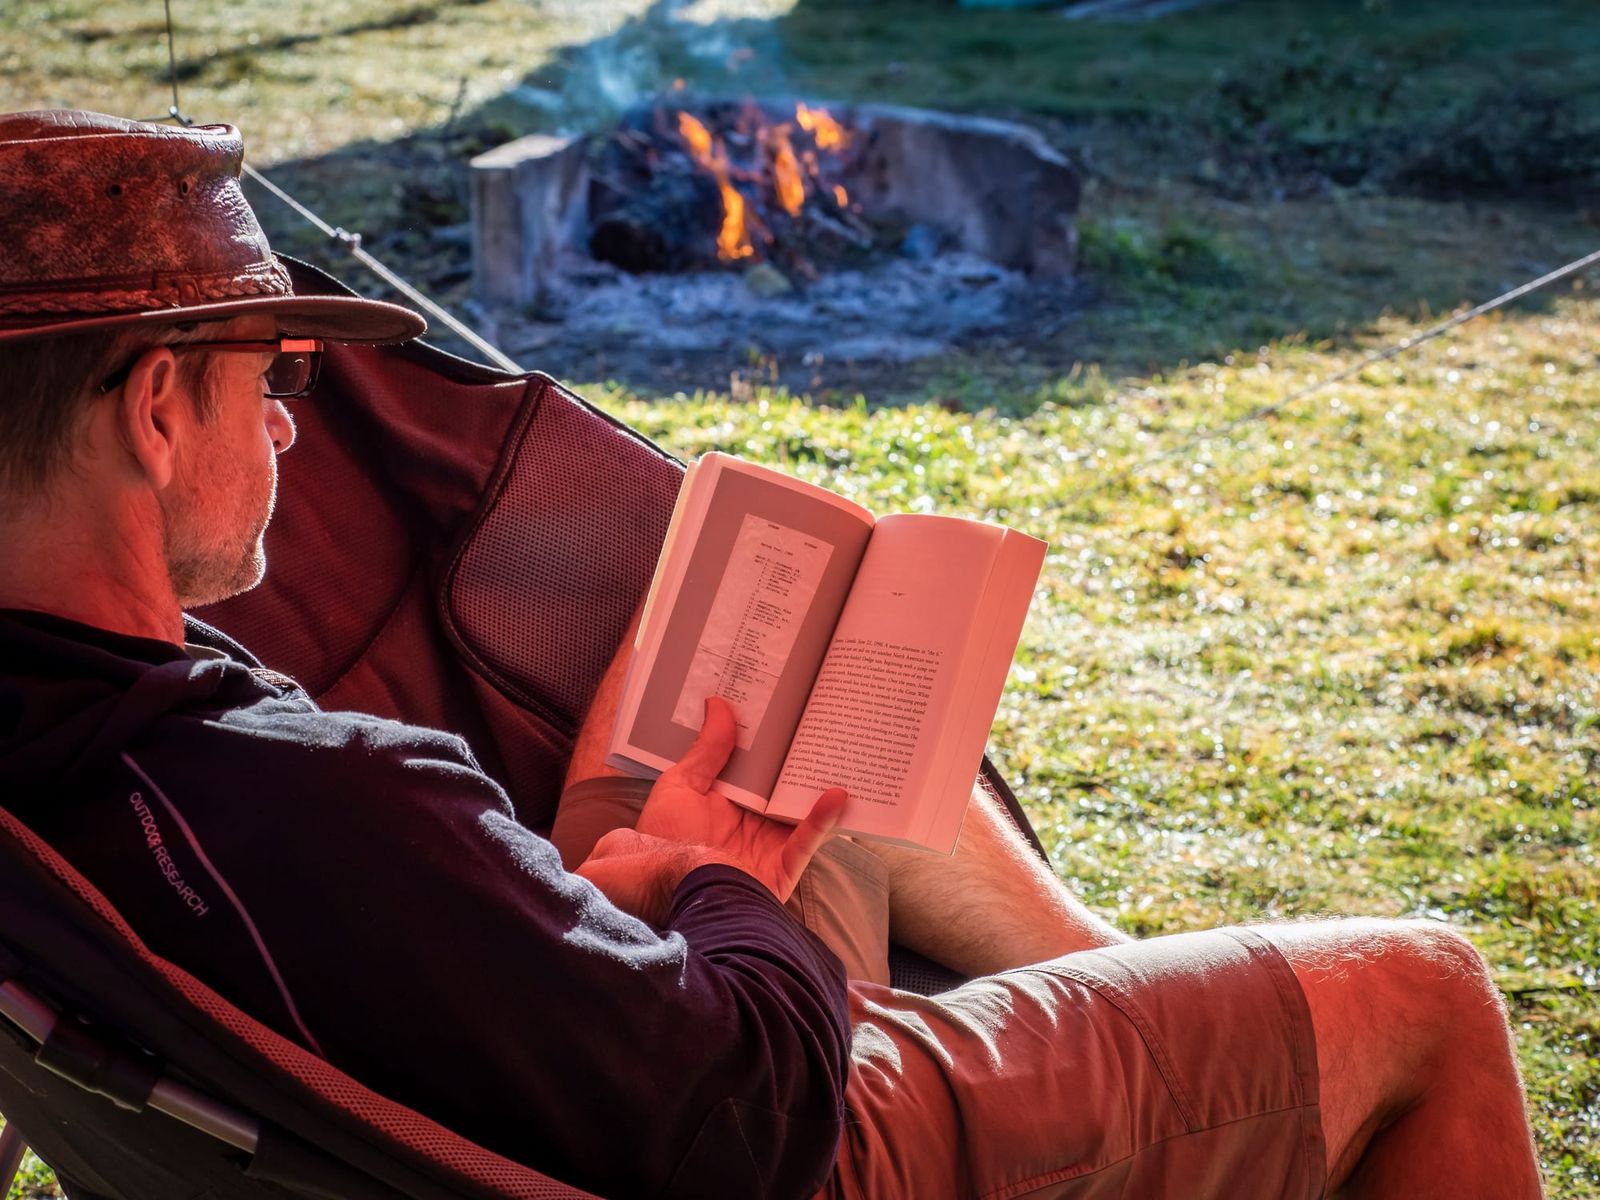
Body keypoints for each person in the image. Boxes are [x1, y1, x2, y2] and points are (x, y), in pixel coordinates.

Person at [0, 109, 1543, 1200]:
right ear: (150, 413)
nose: (285, 419)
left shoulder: (76, 749)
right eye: (267, 379)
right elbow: (753, 1121)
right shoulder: (321, 798)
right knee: (1428, 989)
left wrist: (623, 873)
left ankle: (1116, 988)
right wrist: (706, 886)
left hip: (542, 1052)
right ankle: (1196, 1041)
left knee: (778, 729)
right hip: (781, 1132)